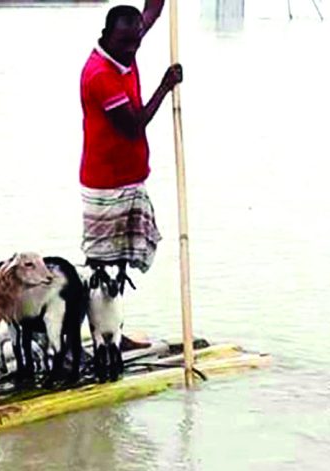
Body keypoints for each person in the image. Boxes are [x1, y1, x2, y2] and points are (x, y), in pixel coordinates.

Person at [79, 1, 183, 295]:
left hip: (129, 177)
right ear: (106, 35)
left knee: (121, 264)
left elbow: (151, 11)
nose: (131, 49)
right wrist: (165, 86)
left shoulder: (128, 44)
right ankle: (103, 337)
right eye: (124, 42)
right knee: (102, 266)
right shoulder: (101, 74)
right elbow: (133, 127)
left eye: (136, 41)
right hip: (105, 183)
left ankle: (115, 333)